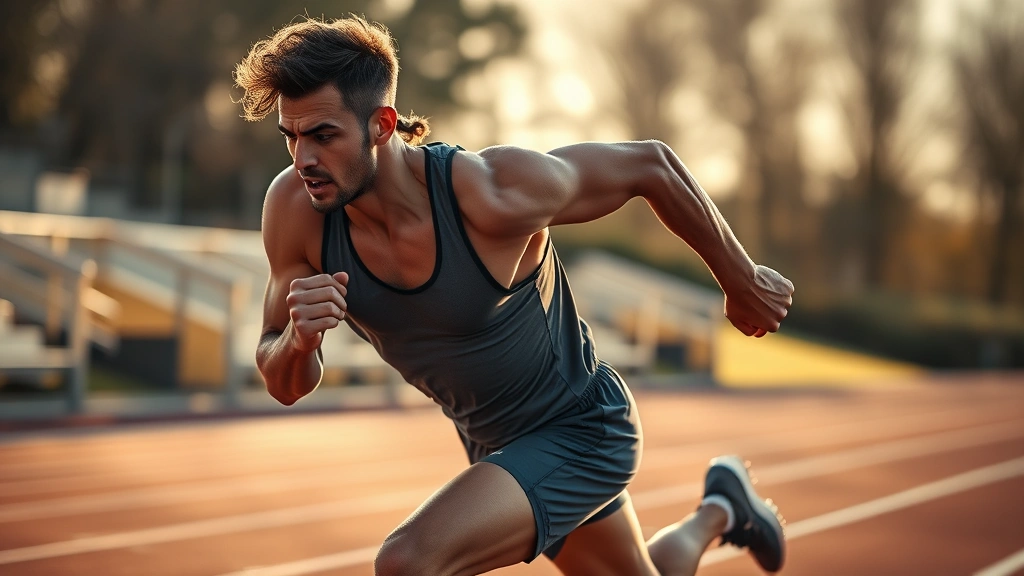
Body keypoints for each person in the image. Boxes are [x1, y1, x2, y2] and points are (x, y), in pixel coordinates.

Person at [238, 15, 794, 576]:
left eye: (323, 136)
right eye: (291, 137)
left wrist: (741, 281)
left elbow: (649, 164)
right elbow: (283, 382)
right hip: (494, 444)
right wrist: (299, 340)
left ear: (381, 124)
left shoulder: (490, 194)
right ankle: (723, 509)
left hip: (583, 427)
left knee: (407, 563)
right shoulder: (294, 211)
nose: (303, 159)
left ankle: (721, 509)